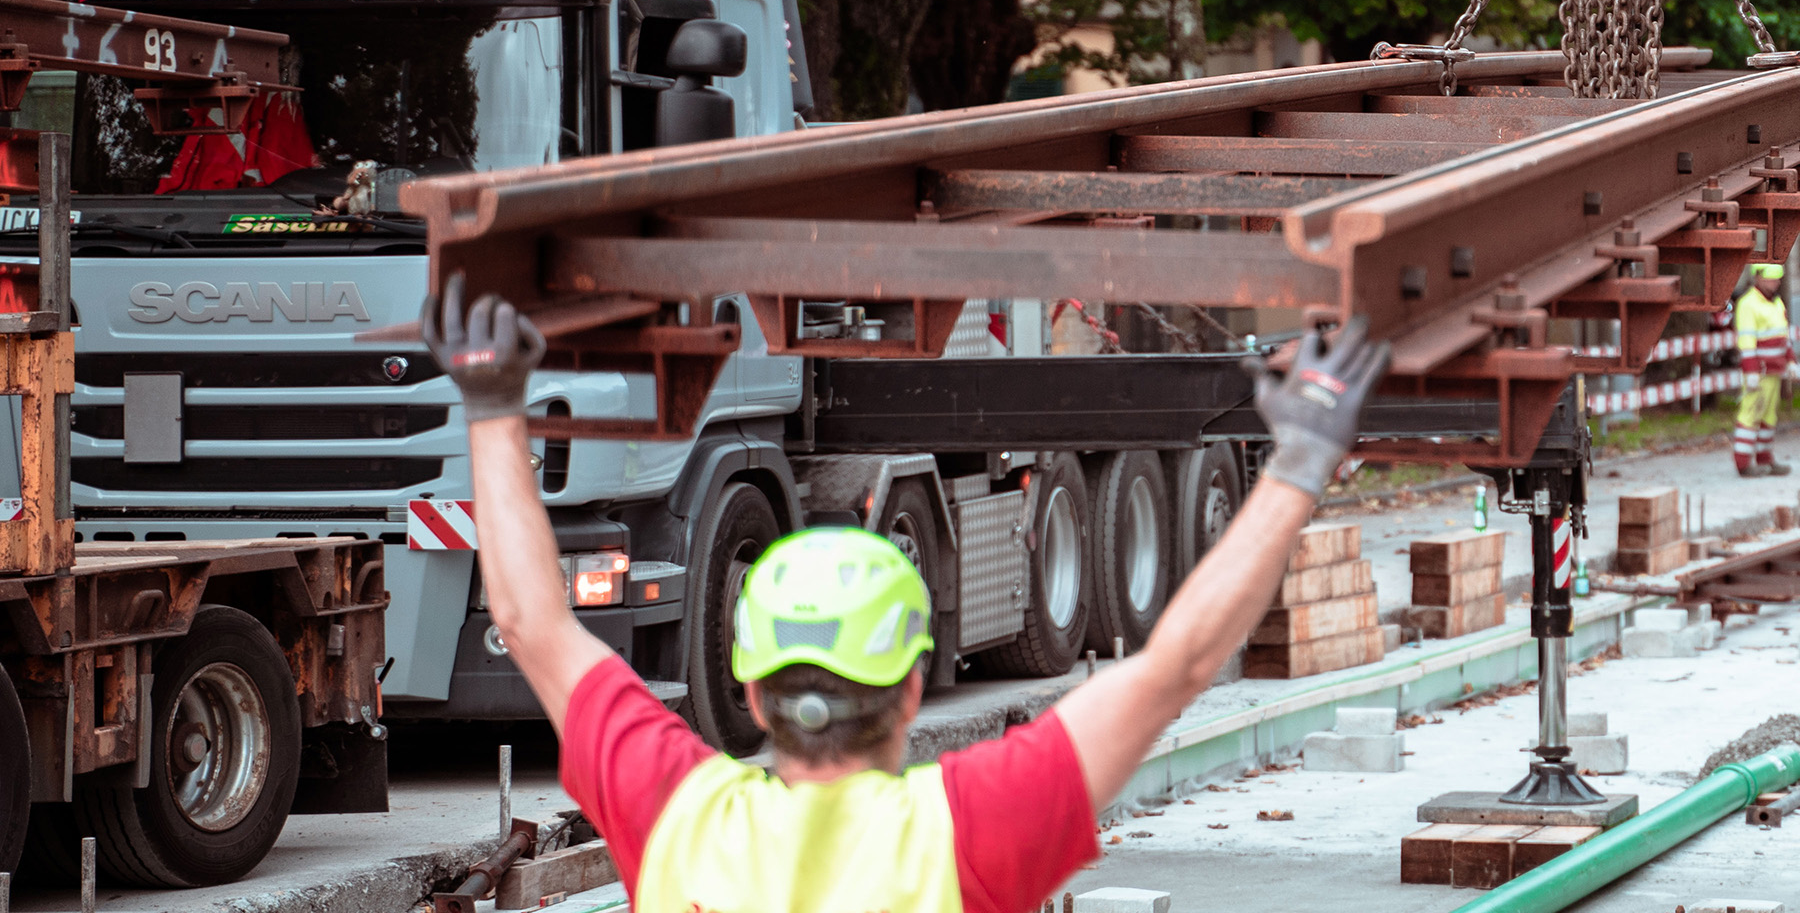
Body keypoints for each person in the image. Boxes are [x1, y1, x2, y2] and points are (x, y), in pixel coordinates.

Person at [425, 277, 1388, 912]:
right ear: (914, 688)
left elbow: (528, 619)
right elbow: (1174, 665)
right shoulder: (959, 834)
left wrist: (493, 407)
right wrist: (1297, 462)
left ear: (752, 693)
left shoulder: (681, 817)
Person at [1731, 262, 1794, 477]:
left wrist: (1790, 359)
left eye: (1777, 279)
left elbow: (1783, 335)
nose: (1775, 284)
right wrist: (1750, 373)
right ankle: (1743, 464)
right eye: (1770, 279)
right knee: (1750, 414)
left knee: (1769, 417)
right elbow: (1747, 342)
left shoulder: (1776, 302)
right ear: (1757, 277)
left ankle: (1765, 459)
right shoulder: (1748, 304)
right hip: (1759, 373)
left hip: (1774, 371)